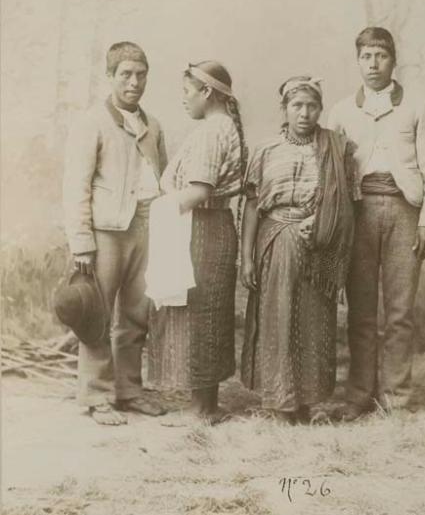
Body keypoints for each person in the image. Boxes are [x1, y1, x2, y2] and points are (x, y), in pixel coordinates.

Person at [328, 27, 425, 420]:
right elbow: (332, 172)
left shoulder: (417, 105)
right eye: (365, 57)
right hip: (358, 214)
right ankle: (359, 394)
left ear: (393, 60)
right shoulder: (342, 111)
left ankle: (397, 396)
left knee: (399, 311)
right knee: (360, 310)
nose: (373, 64)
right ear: (357, 60)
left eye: (380, 56)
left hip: (403, 210)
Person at [63, 41, 167, 425]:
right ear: (110, 77)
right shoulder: (92, 122)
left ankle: (129, 390)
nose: (134, 82)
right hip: (105, 233)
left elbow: (163, 178)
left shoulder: (153, 125)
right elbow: (76, 186)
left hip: (145, 226)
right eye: (125, 74)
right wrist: (82, 243)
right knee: (97, 314)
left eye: (140, 75)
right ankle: (97, 397)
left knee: (136, 314)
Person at [240, 76, 354, 424]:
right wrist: (246, 256)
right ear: (284, 109)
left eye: (312, 106)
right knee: (278, 318)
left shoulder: (334, 147)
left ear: (321, 109)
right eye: (297, 106)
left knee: (313, 321)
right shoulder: (265, 149)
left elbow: (343, 202)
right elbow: (251, 205)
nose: (305, 113)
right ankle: (280, 403)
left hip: (318, 245)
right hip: (275, 241)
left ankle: (305, 402)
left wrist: (319, 221)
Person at [147, 61, 246, 424]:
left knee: (202, 313)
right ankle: (205, 404)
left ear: (207, 92)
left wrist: (157, 206)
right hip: (210, 225)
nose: (183, 101)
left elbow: (199, 190)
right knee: (207, 312)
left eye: (187, 93)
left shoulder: (212, 131)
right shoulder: (223, 127)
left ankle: (202, 409)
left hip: (202, 227)